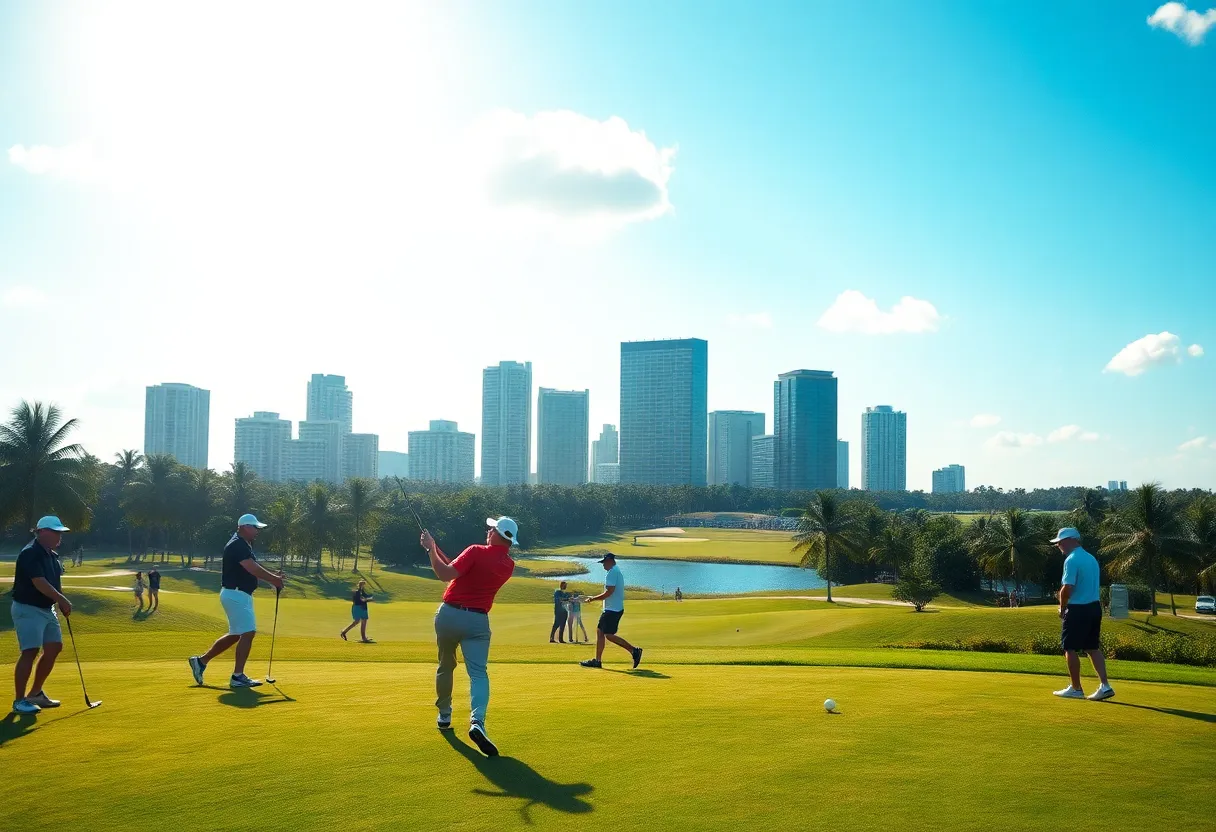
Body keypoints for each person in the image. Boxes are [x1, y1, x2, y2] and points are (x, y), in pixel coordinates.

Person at [422, 515, 519, 757]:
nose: (488, 531)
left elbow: (445, 574)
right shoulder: (508, 566)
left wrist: (430, 550)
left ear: (498, 535)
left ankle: (444, 715)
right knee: (478, 673)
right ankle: (478, 722)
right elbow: (467, 575)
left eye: (492, 529)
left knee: (446, 665)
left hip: (449, 615)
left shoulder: (475, 551)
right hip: (478, 622)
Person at [188, 514, 284, 689]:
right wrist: (274, 580)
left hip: (240, 595)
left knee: (236, 634)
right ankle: (237, 676)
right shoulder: (237, 544)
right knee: (248, 632)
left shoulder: (243, 544)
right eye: (255, 528)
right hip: (236, 594)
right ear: (245, 527)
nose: (257, 531)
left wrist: (273, 577)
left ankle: (201, 661)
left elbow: (253, 568)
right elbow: (251, 567)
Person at [10, 516, 74, 714]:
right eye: (55, 532)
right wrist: (61, 600)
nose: (59, 536)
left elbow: (54, 583)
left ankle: (35, 693)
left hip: (47, 609)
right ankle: (19, 700)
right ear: (42, 531)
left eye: (60, 532)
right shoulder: (30, 553)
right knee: (29, 651)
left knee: (54, 647)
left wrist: (60, 600)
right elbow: (39, 582)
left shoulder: (52, 556)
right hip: (28, 607)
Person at [1051, 527, 1114, 701]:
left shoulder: (1071, 560)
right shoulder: (1090, 558)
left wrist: (1062, 608)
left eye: (1060, 542)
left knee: (1069, 647)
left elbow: (1067, 588)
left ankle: (1076, 688)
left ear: (1071, 540)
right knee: (1092, 648)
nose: (1058, 546)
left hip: (1078, 609)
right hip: (1094, 608)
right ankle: (1105, 686)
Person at [580, 553, 642, 669]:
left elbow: (609, 592)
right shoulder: (615, 571)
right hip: (613, 608)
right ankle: (597, 660)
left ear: (610, 561)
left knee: (608, 635)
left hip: (612, 609)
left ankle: (634, 651)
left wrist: (593, 599)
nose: (603, 565)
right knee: (600, 632)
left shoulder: (612, 572)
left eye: (604, 563)